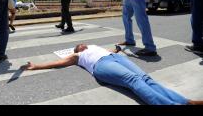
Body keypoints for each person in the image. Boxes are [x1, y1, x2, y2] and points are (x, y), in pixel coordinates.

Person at [21, 44, 203, 105]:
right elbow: (59, 63)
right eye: (79, 45)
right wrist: (36, 66)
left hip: (114, 58)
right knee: (133, 80)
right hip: (101, 66)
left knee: (146, 78)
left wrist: (118, 47)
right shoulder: (78, 55)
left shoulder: (94, 46)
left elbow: (112, 49)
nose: (82, 45)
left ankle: (185, 102)